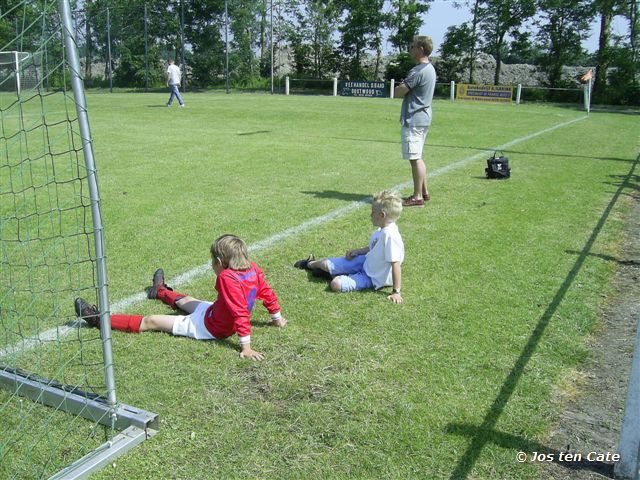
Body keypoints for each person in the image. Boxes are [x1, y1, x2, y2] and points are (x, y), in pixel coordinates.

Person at [74, 234, 286, 361]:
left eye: (212, 262)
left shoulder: (227, 278)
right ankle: (160, 291)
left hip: (209, 327)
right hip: (214, 312)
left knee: (152, 321)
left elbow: (240, 311)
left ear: (220, 262)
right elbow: (266, 292)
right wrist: (276, 318)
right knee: (187, 300)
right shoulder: (252, 269)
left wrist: (245, 346)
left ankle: (98, 319)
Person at [294, 191, 404, 304]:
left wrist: (396, 291)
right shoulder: (382, 230)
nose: (370, 215)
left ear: (382, 215)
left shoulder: (391, 236)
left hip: (373, 277)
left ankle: (331, 274)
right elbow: (374, 248)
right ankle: (310, 263)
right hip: (365, 262)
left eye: (373, 212)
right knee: (325, 264)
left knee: (336, 284)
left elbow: (395, 263)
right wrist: (358, 251)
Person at [394, 35, 437, 208]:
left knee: (415, 158)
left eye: (412, 46)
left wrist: (400, 87)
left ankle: (417, 196)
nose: (410, 49)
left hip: (414, 119)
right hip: (423, 117)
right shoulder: (430, 69)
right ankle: (424, 192)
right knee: (418, 156)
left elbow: (398, 92)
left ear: (420, 48)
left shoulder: (418, 71)